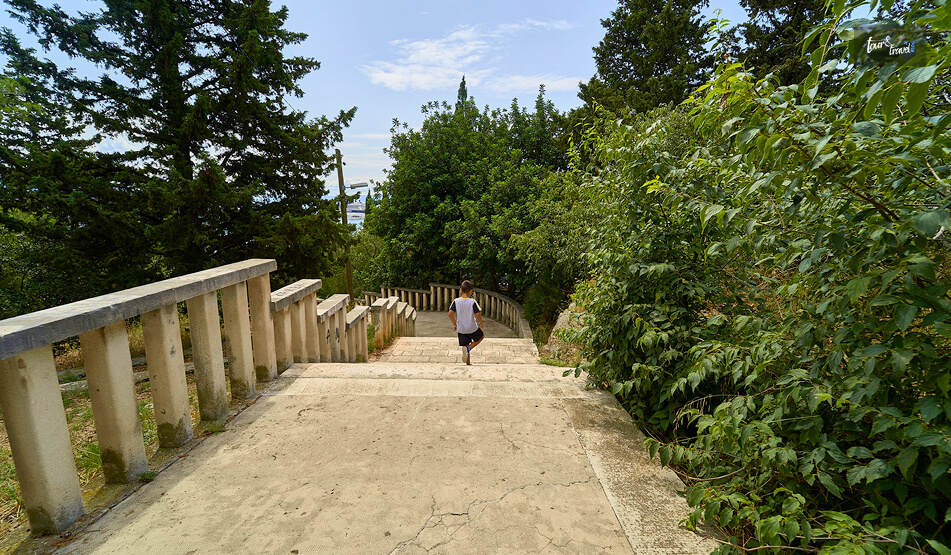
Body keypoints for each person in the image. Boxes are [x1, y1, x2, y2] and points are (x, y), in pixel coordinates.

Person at [448, 280, 484, 365]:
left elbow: (450, 313)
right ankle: (469, 349)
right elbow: (477, 314)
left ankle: (468, 363)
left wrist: (454, 324)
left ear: (461, 290)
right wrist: (481, 323)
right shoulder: (472, 302)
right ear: (471, 292)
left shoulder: (456, 301)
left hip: (461, 328)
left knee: (465, 344)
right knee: (481, 336)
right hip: (471, 328)